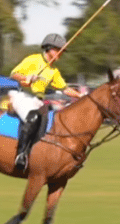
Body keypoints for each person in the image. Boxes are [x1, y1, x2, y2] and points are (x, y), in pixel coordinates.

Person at [6, 33, 76, 171]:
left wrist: (82, 95)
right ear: (49, 48)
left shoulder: (53, 71)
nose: (61, 53)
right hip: (22, 96)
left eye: (62, 51)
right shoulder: (34, 59)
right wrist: (27, 77)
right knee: (33, 117)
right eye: (58, 50)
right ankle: (21, 155)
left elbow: (65, 89)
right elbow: (14, 74)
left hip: (37, 101)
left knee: (52, 120)